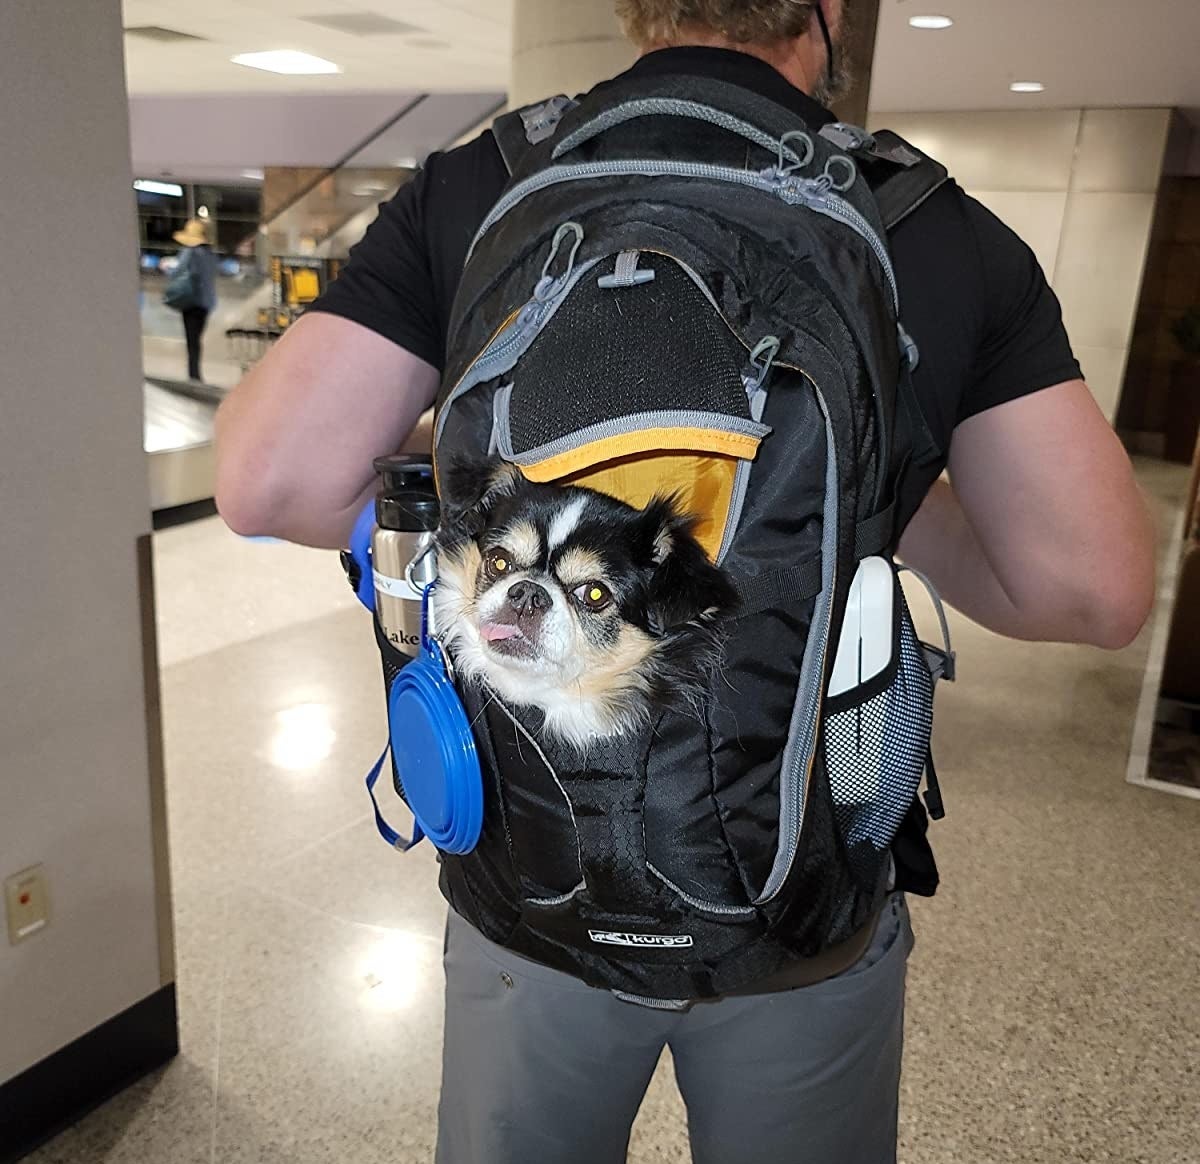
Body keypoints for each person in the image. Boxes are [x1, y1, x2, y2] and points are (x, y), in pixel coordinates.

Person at [214, 1, 1156, 1160]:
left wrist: (491, 503)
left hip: (528, 887)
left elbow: (272, 489)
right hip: (801, 908)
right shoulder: (920, 220)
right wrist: (881, 494)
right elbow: (1091, 590)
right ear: (823, 21)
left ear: (634, 9)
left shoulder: (479, 188)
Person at [166, 217, 217, 382]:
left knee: (191, 339)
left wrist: (167, 268)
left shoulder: (190, 253)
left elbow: (178, 271)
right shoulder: (210, 254)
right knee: (197, 338)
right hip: (206, 303)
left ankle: (193, 373)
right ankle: (196, 372)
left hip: (191, 300)